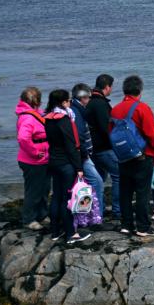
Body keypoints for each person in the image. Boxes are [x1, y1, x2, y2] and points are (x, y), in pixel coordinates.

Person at [110, 75, 154, 237]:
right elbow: (152, 134)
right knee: (142, 192)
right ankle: (143, 227)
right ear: (140, 90)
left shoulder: (115, 109)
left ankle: (126, 224)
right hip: (142, 156)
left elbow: (110, 132)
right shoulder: (142, 108)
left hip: (123, 155)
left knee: (125, 191)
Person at [44, 89, 90, 244]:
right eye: (69, 100)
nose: (70, 102)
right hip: (66, 164)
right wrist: (79, 167)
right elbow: (71, 145)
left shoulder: (48, 118)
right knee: (68, 199)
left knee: (56, 197)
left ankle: (55, 231)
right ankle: (71, 234)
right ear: (63, 102)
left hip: (53, 162)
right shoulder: (64, 119)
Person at [85, 74, 120, 220]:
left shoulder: (90, 101)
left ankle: (97, 210)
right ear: (107, 87)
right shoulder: (100, 104)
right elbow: (106, 128)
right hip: (102, 148)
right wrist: (117, 144)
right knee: (119, 175)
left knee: (98, 179)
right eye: (111, 86)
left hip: (93, 148)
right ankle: (118, 210)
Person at [15, 86, 50, 231]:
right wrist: (36, 152)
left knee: (44, 189)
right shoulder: (28, 118)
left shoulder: (36, 114)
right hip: (32, 161)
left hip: (43, 159)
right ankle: (29, 219)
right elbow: (23, 138)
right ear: (37, 101)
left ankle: (42, 214)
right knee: (33, 191)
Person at [70, 83, 105, 222]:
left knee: (88, 184)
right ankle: (96, 217)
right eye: (88, 97)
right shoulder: (77, 112)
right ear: (83, 97)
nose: (90, 100)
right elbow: (78, 137)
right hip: (82, 156)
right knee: (97, 182)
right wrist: (84, 154)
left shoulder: (76, 109)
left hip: (82, 155)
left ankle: (87, 215)